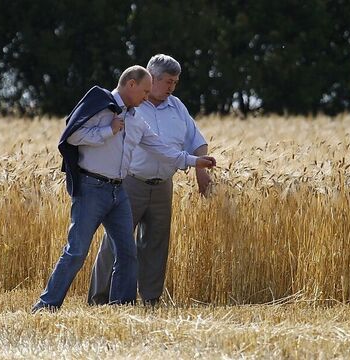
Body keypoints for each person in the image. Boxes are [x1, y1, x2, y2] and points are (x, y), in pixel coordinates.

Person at [31, 65, 215, 313]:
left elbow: (161, 149)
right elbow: (71, 136)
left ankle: (121, 307)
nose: (146, 97)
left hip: (118, 192)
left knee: (128, 254)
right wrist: (108, 130)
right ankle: (46, 305)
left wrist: (195, 161)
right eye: (144, 91)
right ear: (131, 84)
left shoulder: (137, 120)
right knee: (76, 252)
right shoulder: (101, 104)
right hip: (91, 189)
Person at [88, 54, 210, 306]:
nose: (172, 88)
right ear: (152, 78)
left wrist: (201, 169)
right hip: (130, 183)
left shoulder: (177, 106)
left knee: (156, 244)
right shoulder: (128, 103)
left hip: (163, 185)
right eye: (168, 82)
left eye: (175, 82)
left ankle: (150, 299)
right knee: (115, 242)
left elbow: (197, 140)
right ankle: (100, 299)